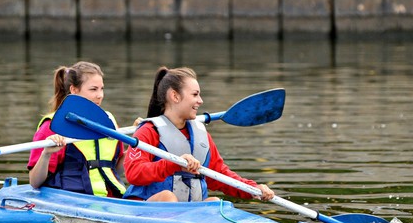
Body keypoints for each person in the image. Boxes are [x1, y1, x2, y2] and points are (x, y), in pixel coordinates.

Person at [123, 66, 275, 203]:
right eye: (195, 95)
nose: (200, 101)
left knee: (215, 203)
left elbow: (220, 176)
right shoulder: (149, 131)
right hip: (144, 210)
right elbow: (133, 173)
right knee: (167, 198)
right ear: (175, 96)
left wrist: (253, 189)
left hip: (188, 213)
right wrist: (174, 163)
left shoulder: (201, 134)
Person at [27, 61, 126, 198]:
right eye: (93, 89)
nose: (100, 95)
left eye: (102, 88)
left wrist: (136, 145)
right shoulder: (52, 127)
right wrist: (46, 154)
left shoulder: (109, 122)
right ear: (74, 90)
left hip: (111, 199)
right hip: (72, 198)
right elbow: (34, 182)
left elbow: (117, 170)